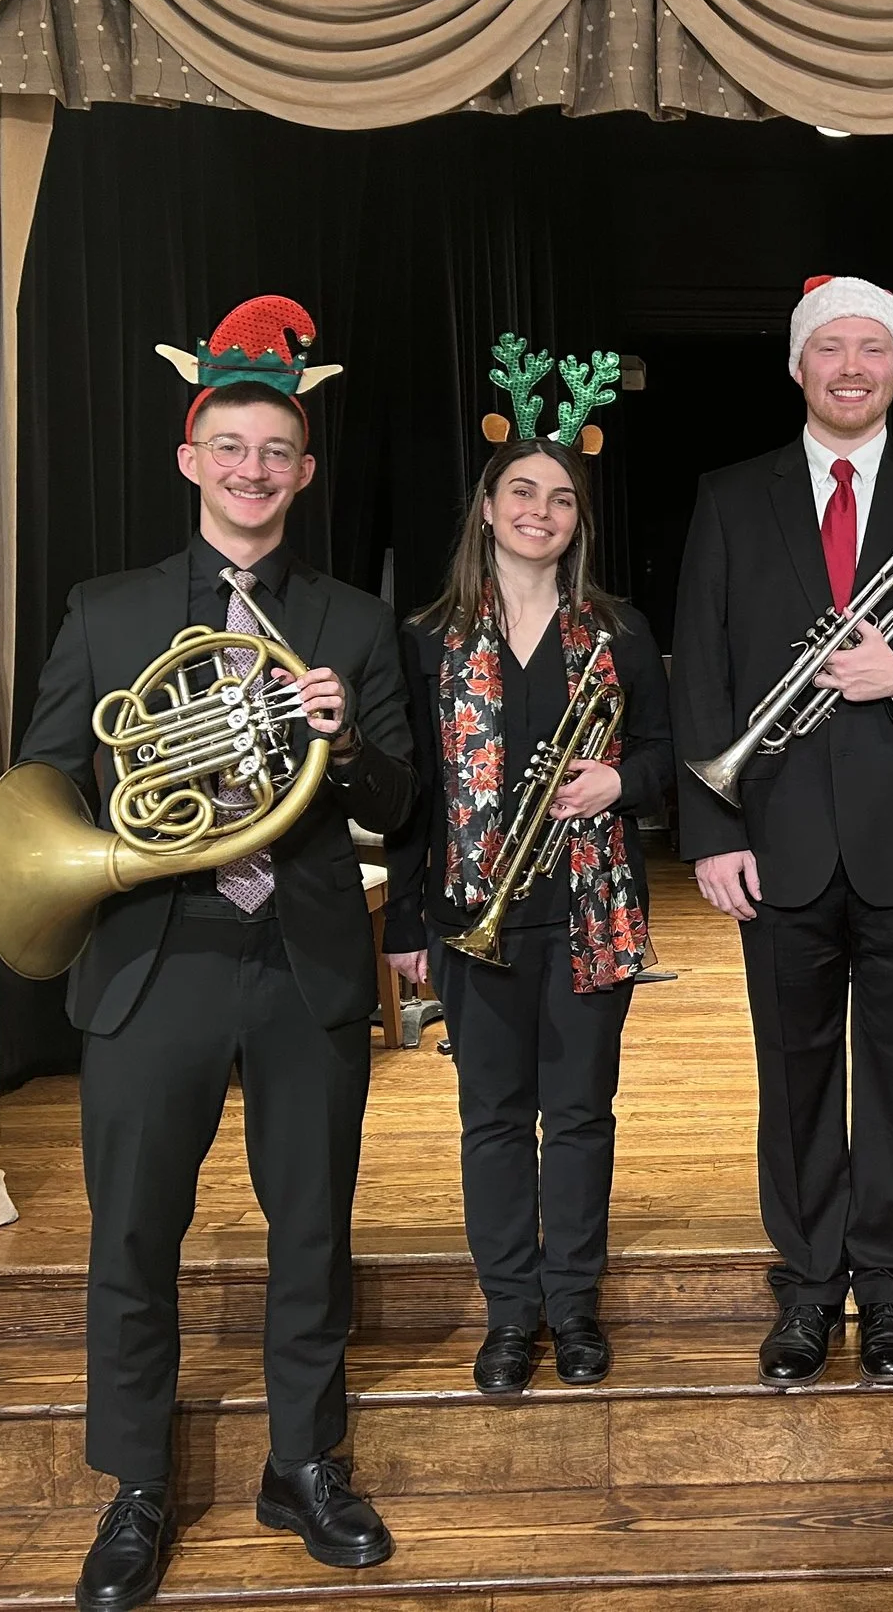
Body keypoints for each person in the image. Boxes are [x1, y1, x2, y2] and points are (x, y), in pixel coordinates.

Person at [13, 298, 415, 1611]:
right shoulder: (108, 609)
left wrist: (346, 741)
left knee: (313, 1228)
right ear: (192, 458)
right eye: (230, 447)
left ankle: (304, 1460)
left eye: (276, 452)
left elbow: (401, 805)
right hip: (155, 949)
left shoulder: (354, 621)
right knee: (133, 1232)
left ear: (304, 472)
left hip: (300, 956)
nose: (253, 470)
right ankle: (136, 1484)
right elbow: (49, 780)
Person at [671, 275, 893, 1388]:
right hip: (772, 837)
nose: (853, 367)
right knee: (796, 1074)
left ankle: (889, 1291)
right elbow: (703, 673)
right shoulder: (731, 495)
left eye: (874, 349)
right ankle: (808, 1287)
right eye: (833, 350)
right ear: (797, 367)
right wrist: (712, 829)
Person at [382, 372, 672, 1395]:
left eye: (559, 499)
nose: (539, 513)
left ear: (575, 520)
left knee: (582, 1114)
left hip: (588, 912)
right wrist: (406, 922)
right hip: (472, 914)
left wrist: (617, 779)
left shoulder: (620, 632)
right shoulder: (426, 639)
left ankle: (572, 1306)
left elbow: (668, 761)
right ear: (488, 510)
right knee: (491, 1117)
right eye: (521, 495)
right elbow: (413, 787)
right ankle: (511, 1314)